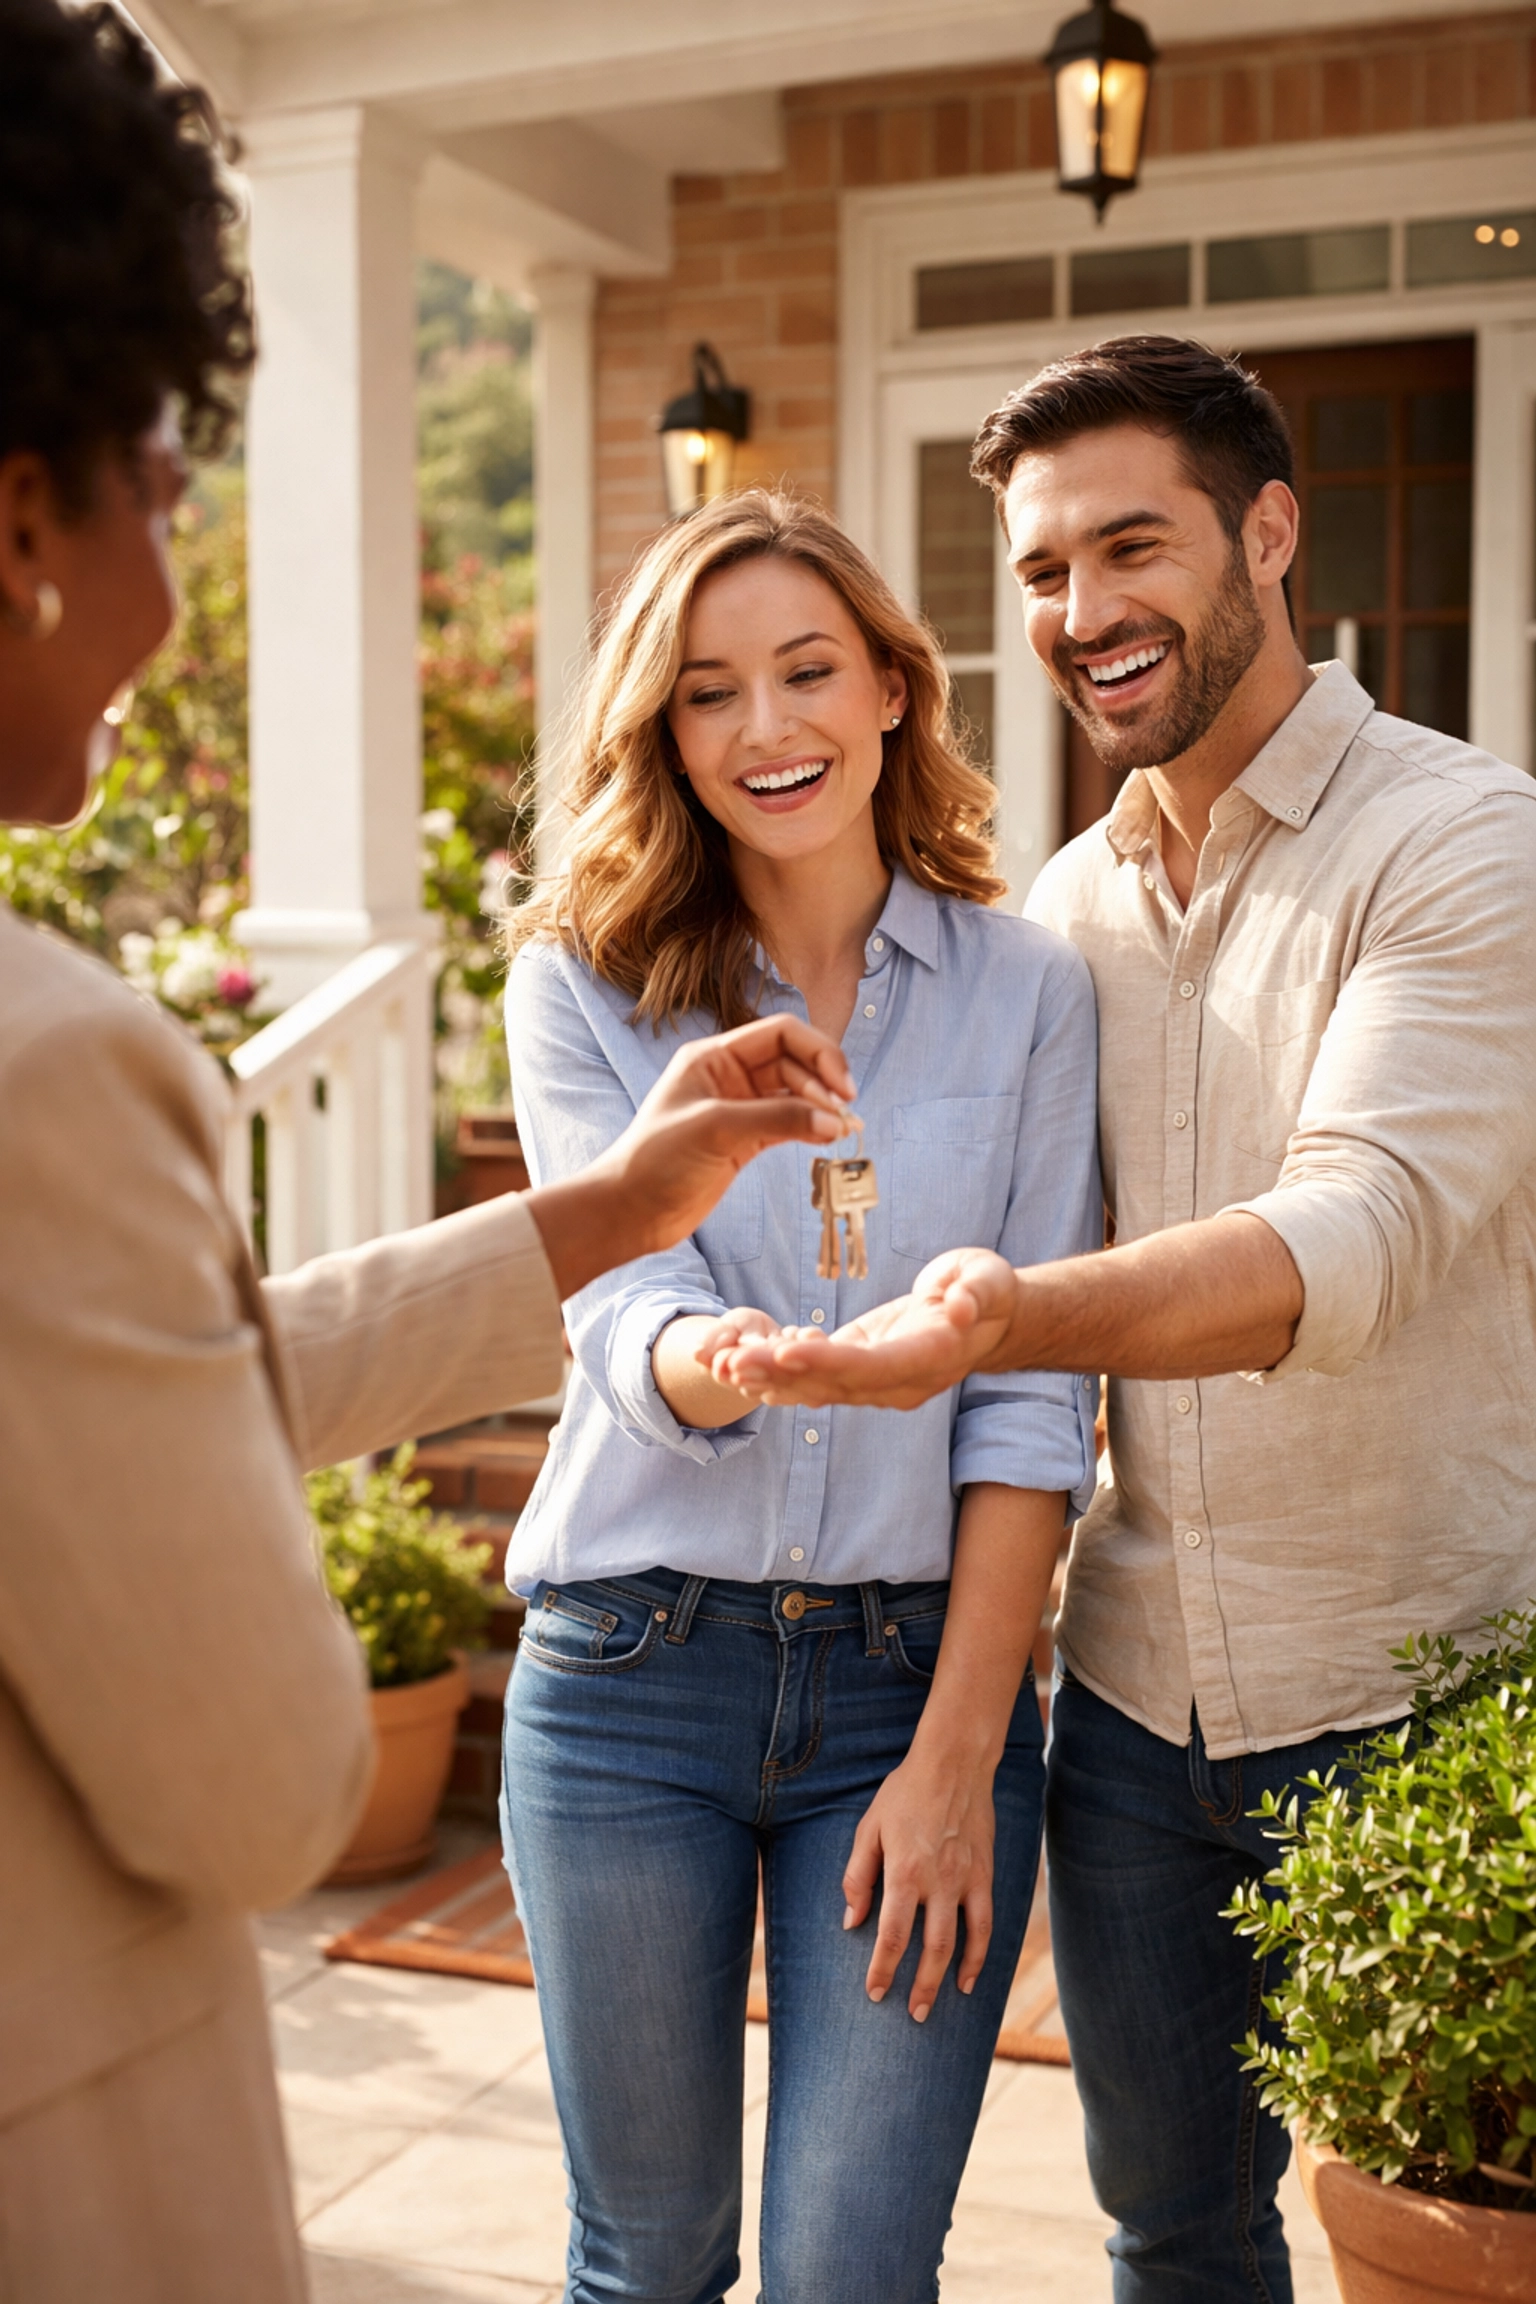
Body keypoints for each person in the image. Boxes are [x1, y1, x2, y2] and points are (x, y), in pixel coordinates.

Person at [0, 8, 853, 2299]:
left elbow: (147, 1388)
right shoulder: (46, 1072)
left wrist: (605, 1216)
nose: (176, 598)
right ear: (21, 513)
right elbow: (268, 1787)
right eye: (171, 496)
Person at [724, 336, 1536, 2301]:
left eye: (1131, 549)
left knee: (1455, 2251)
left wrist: (989, 1316)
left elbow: (1353, 1234)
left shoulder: (1458, 842)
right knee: (1172, 2234)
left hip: (1413, 1694)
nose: (1083, 615)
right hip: (1132, 1718)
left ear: (1270, 533)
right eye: (1040, 571)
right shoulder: (1066, 910)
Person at [499, 487, 1101, 2304]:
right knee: (651, 2256)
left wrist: (959, 1759)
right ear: (661, 735)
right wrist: (719, 1361)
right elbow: (622, 1299)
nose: (766, 729)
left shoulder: (1029, 994)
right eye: (706, 693)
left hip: (905, 1695)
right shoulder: (584, 989)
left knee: (854, 2265)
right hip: (626, 1680)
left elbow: (1030, 1402)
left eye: (808, 672)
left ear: (897, 691)